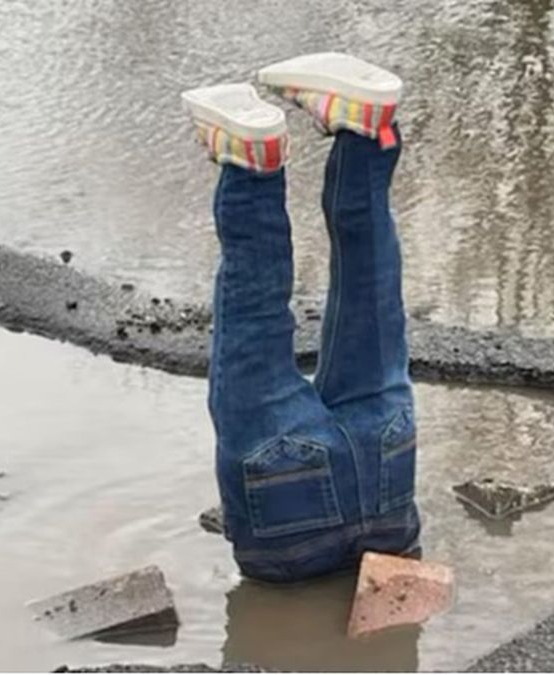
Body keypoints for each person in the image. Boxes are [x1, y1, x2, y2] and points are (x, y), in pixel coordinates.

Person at [181, 53, 418, 583]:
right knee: (254, 309)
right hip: (388, 512)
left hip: (383, 443)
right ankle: (252, 162)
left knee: (371, 292)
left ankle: (367, 132)